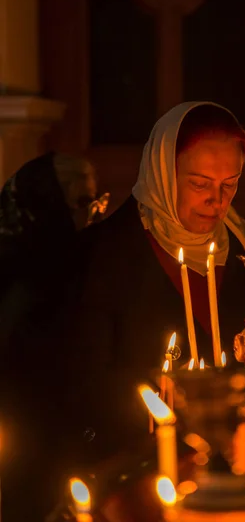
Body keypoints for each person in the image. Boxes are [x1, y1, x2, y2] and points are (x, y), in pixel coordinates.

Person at [64, 102, 245, 462]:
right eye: (199, 183)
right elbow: (84, 382)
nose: (217, 201)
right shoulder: (101, 254)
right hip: (136, 459)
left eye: (229, 184)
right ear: (161, 172)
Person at [0, 151, 109, 522]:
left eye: (97, 201)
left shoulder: (83, 259)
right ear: (45, 204)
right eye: (81, 203)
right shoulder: (18, 269)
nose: (94, 214)